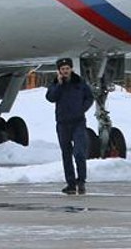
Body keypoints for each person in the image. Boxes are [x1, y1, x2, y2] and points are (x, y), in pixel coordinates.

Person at [45, 57, 94, 194]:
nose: (65, 71)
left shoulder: (80, 83)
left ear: (71, 69)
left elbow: (89, 97)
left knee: (79, 152)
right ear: (59, 71)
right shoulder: (56, 84)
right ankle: (71, 184)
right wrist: (59, 85)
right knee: (66, 154)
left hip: (78, 122)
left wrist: (82, 108)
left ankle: (82, 181)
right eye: (62, 69)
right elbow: (50, 98)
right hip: (62, 123)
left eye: (67, 68)